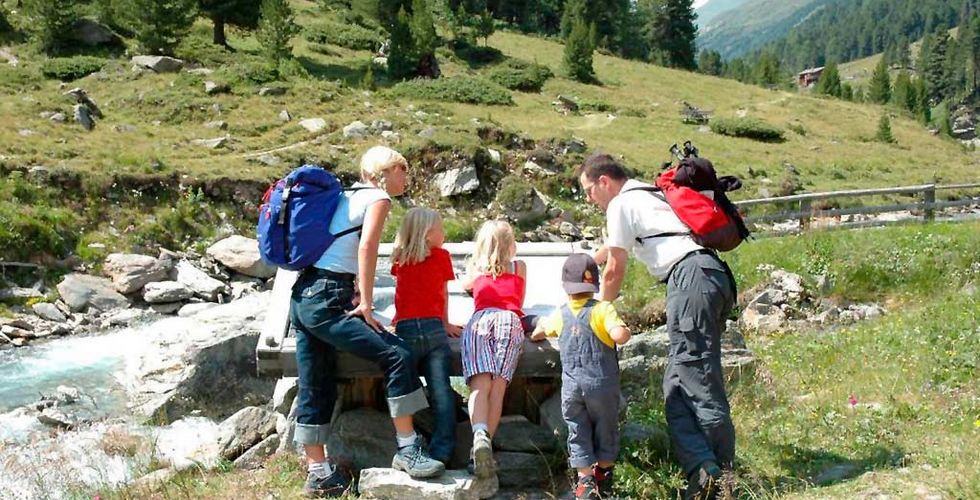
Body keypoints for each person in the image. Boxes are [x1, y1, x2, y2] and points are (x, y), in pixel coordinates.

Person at [577, 153, 737, 500]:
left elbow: (614, 271)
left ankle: (724, 480)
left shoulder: (620, 204)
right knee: (676, 387)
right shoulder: (650, 193)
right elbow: (613, 248)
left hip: (689, 280)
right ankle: (702, 469)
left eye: (589, 191)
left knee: (698, 378)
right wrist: (589, 258)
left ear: (604, 181)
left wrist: (597, 313)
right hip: (710, 276)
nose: (590, 199)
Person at [289, 146, 444, 498]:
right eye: (401, 168)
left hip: (304, 298)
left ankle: (319, 473)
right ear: (383, 173)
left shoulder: (346, 195)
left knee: (316, 377)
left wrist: (355, 288)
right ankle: (408, 449)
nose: (406, 175)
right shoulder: (377, 197)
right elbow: (367, 246)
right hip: (328, 298)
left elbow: (338, 251)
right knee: (398, 354)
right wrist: (369, 304)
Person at [530, 253, 631, 500]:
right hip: (602, 385)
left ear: (566, 287)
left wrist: (537, 330)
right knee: (606, 427)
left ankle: (585, 481)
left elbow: (538, 333)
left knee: (577, 428)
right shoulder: (603, 309)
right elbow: (618, 335)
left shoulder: (561, 313)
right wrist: (625, 331)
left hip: (572, 387)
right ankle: (604, 478)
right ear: (593, 285)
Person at [390, 207, 463, 466]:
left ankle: (408, 443)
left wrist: (398, 318)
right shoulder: (441, 256)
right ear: (427, 233)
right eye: (440, 229)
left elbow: (402, 293)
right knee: (440, 390)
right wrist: (445, 323)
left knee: (406, 387)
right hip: (433, 329)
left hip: (406, 329)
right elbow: (442, 294)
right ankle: (442, 450)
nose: (444, 234)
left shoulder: (399, 258)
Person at [458, 220, 527, 478]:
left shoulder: (474, 271)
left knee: (479, 386)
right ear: (511, 245)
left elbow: (466, 287)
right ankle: (478, 454)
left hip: (480, 322)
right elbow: (519, 300)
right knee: (497, 388)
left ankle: (478, 435)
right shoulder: (519, 267)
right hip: (509, 321)